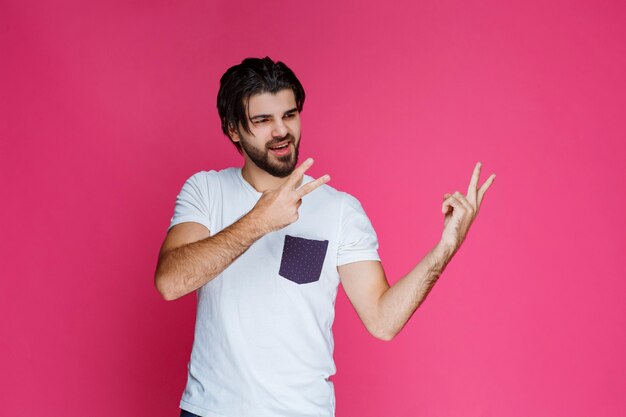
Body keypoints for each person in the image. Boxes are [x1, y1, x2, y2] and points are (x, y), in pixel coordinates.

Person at [155, 56, 495, 417]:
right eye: (263, 120)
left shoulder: (340, 210)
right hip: (210, 411)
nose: (281, 130)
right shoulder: (206, 191)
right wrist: (260, 221)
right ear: (234, 129)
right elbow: (170, 283)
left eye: (289, 115)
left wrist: (446, 247)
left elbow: (383, 321)